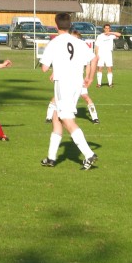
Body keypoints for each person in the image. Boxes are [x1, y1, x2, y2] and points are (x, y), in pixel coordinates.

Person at [38, 12, 99, 170]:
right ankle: (51, 158)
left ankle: (88, 154)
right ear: (70, 25)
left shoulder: (54, 42)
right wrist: (90, 78)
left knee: (66, 118)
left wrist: (49, 64)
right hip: (76, 82)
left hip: (63, 83)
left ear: (56, 25)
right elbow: (94, 59)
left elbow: (44, 68)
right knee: (57, 118)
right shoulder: (78, 42)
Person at [45, 30, 99, 124]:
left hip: (77, 80)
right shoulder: (66, 48)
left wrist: (87, 76)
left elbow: (88, 64)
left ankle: (95, 117)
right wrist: (54, 73)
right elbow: (61, 63)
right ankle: (49, 117)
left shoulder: (81, 49)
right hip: (65, 79)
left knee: (86, 97)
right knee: (56, 98)